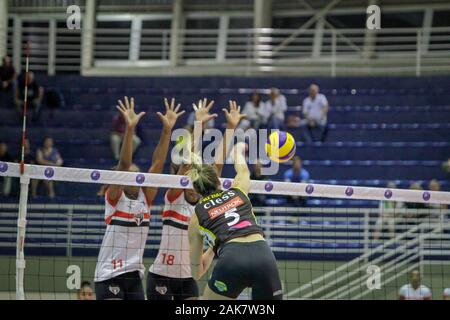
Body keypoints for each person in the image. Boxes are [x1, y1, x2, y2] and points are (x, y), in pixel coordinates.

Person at [147, 99, 243, 300]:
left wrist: (231, 128)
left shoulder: (203, 204)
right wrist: (199, 125)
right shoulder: (173, 197)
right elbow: (188, 160)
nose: (192, 187)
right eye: (188, 181)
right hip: (160, 276)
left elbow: (217, 165)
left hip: (187, 279)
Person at [94, 96, 184, 300]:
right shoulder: (115, 197)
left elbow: (158, 163)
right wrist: (130, 128)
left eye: (137, 172)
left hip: (134, 275)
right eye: (130, 173)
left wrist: (167, 130)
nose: (134, 173)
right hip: (109, 274)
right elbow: (124, 164)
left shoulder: (146, 196)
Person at [187, 139, 283, 300]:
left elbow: (196, 273)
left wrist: (213, 247)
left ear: (196, 190)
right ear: (218, 181)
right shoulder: (238, 191)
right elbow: (244, 172)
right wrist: (237, 151)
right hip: (263, 255)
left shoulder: (196, 217)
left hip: (231, 260)